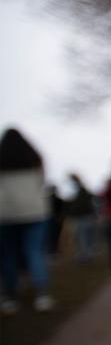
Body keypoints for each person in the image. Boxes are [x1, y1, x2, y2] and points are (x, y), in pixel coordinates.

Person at [0, 128, 54, 313]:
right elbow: (42, 183)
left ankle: (10, 296)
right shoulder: (34, 159)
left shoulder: (3, 158)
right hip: (35, 211)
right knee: (35, 252)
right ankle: (42, 295)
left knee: (9, 254)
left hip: (6, 213)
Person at [68, 172, 97, 261]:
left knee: (83, 236)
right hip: (84, 216)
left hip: (83, 216)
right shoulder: (81, 191)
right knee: (84, 236)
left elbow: (82, 205)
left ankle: (86, 255)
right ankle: (86, 254)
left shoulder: (81, 191)